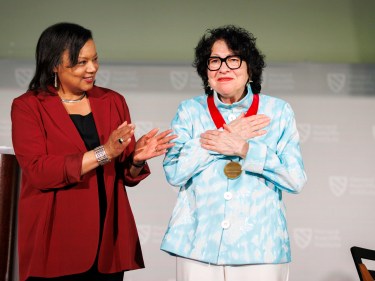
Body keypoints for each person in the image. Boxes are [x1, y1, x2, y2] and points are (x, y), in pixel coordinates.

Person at [11, 22, 176, 281]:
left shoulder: (112, 101)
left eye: (95, 59)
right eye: (80, 62)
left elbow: (125, 174)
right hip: (56, 242)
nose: (92, 69)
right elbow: (38, 172)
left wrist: (135, 159)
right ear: (54, 64)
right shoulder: (28, 107)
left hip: (107, 243)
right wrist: (104, 152)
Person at [160, 25, 307, 281]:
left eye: (233, 59)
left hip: (260, 249)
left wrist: (244, 148)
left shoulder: (278, 111)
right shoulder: (189, 111)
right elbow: (174, 172)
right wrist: (220, 140)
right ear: (206, 71)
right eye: (215, 61)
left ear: (250, 68)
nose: (223, 68)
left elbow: (295, 180)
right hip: (197, 245)